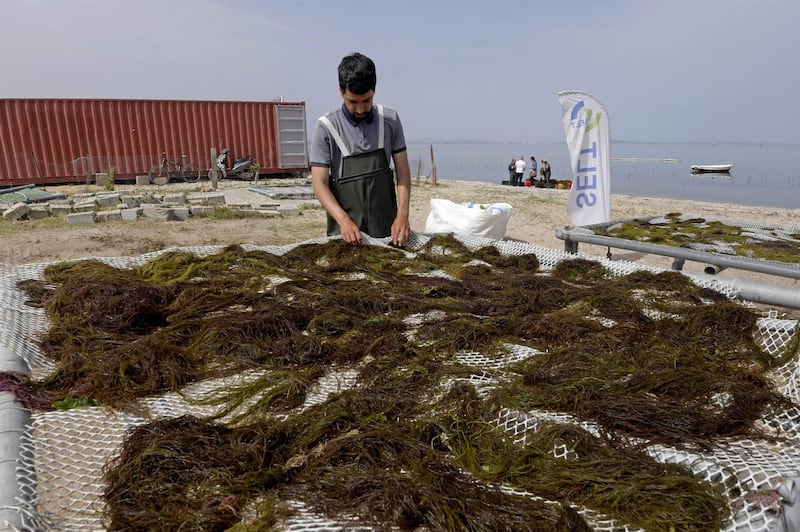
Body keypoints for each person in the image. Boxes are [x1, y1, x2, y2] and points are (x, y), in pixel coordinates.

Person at [310, 52, 411, 247]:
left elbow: (403, 173)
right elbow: (319, 184)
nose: (360, 109)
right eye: (353, 102)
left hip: (387, 229)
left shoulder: (390, 121)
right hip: (347, 233)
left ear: (374, 90)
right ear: (341, 91)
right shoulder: (326, 128)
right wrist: (344, 221)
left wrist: (403, 216)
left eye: (366, 101)